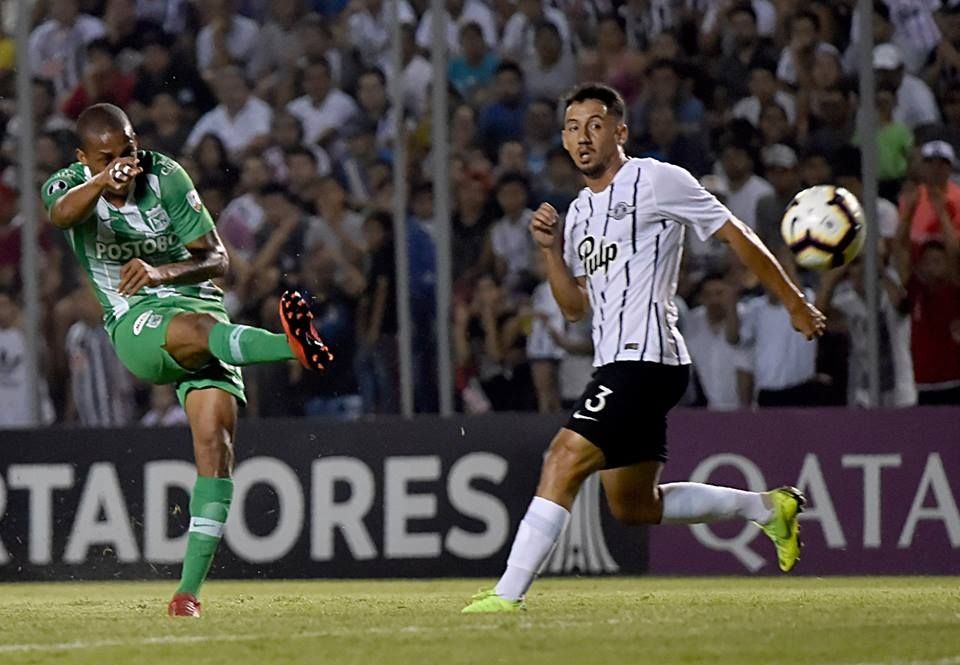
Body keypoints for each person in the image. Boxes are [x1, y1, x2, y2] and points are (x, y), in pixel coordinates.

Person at [461, 84, 825, 613]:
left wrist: (792, 300)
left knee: (562, 457)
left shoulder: (656, 180)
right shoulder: (579, 214)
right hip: (619, 363)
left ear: (619, 131)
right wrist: (549, 254)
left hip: (646, 357)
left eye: (595, 124)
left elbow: (735, 233)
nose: (583, 136)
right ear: (563, 140)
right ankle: (769, 509)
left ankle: (506, 596)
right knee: (633, 505)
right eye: (572, 127)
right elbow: (572, 309)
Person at [40, 104, 333, 617]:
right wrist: (103, 181)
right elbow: (61, 215)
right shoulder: (67, 184)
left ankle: (187, 594)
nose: (125, 163)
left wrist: (161, 271)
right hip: (135, 322)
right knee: (202, 333)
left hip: (195, 302)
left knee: (215, 443)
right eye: (107, 157)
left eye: (129, 149)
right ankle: (292, 348)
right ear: (83, 158)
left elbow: (217, 259)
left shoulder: (166, 175)